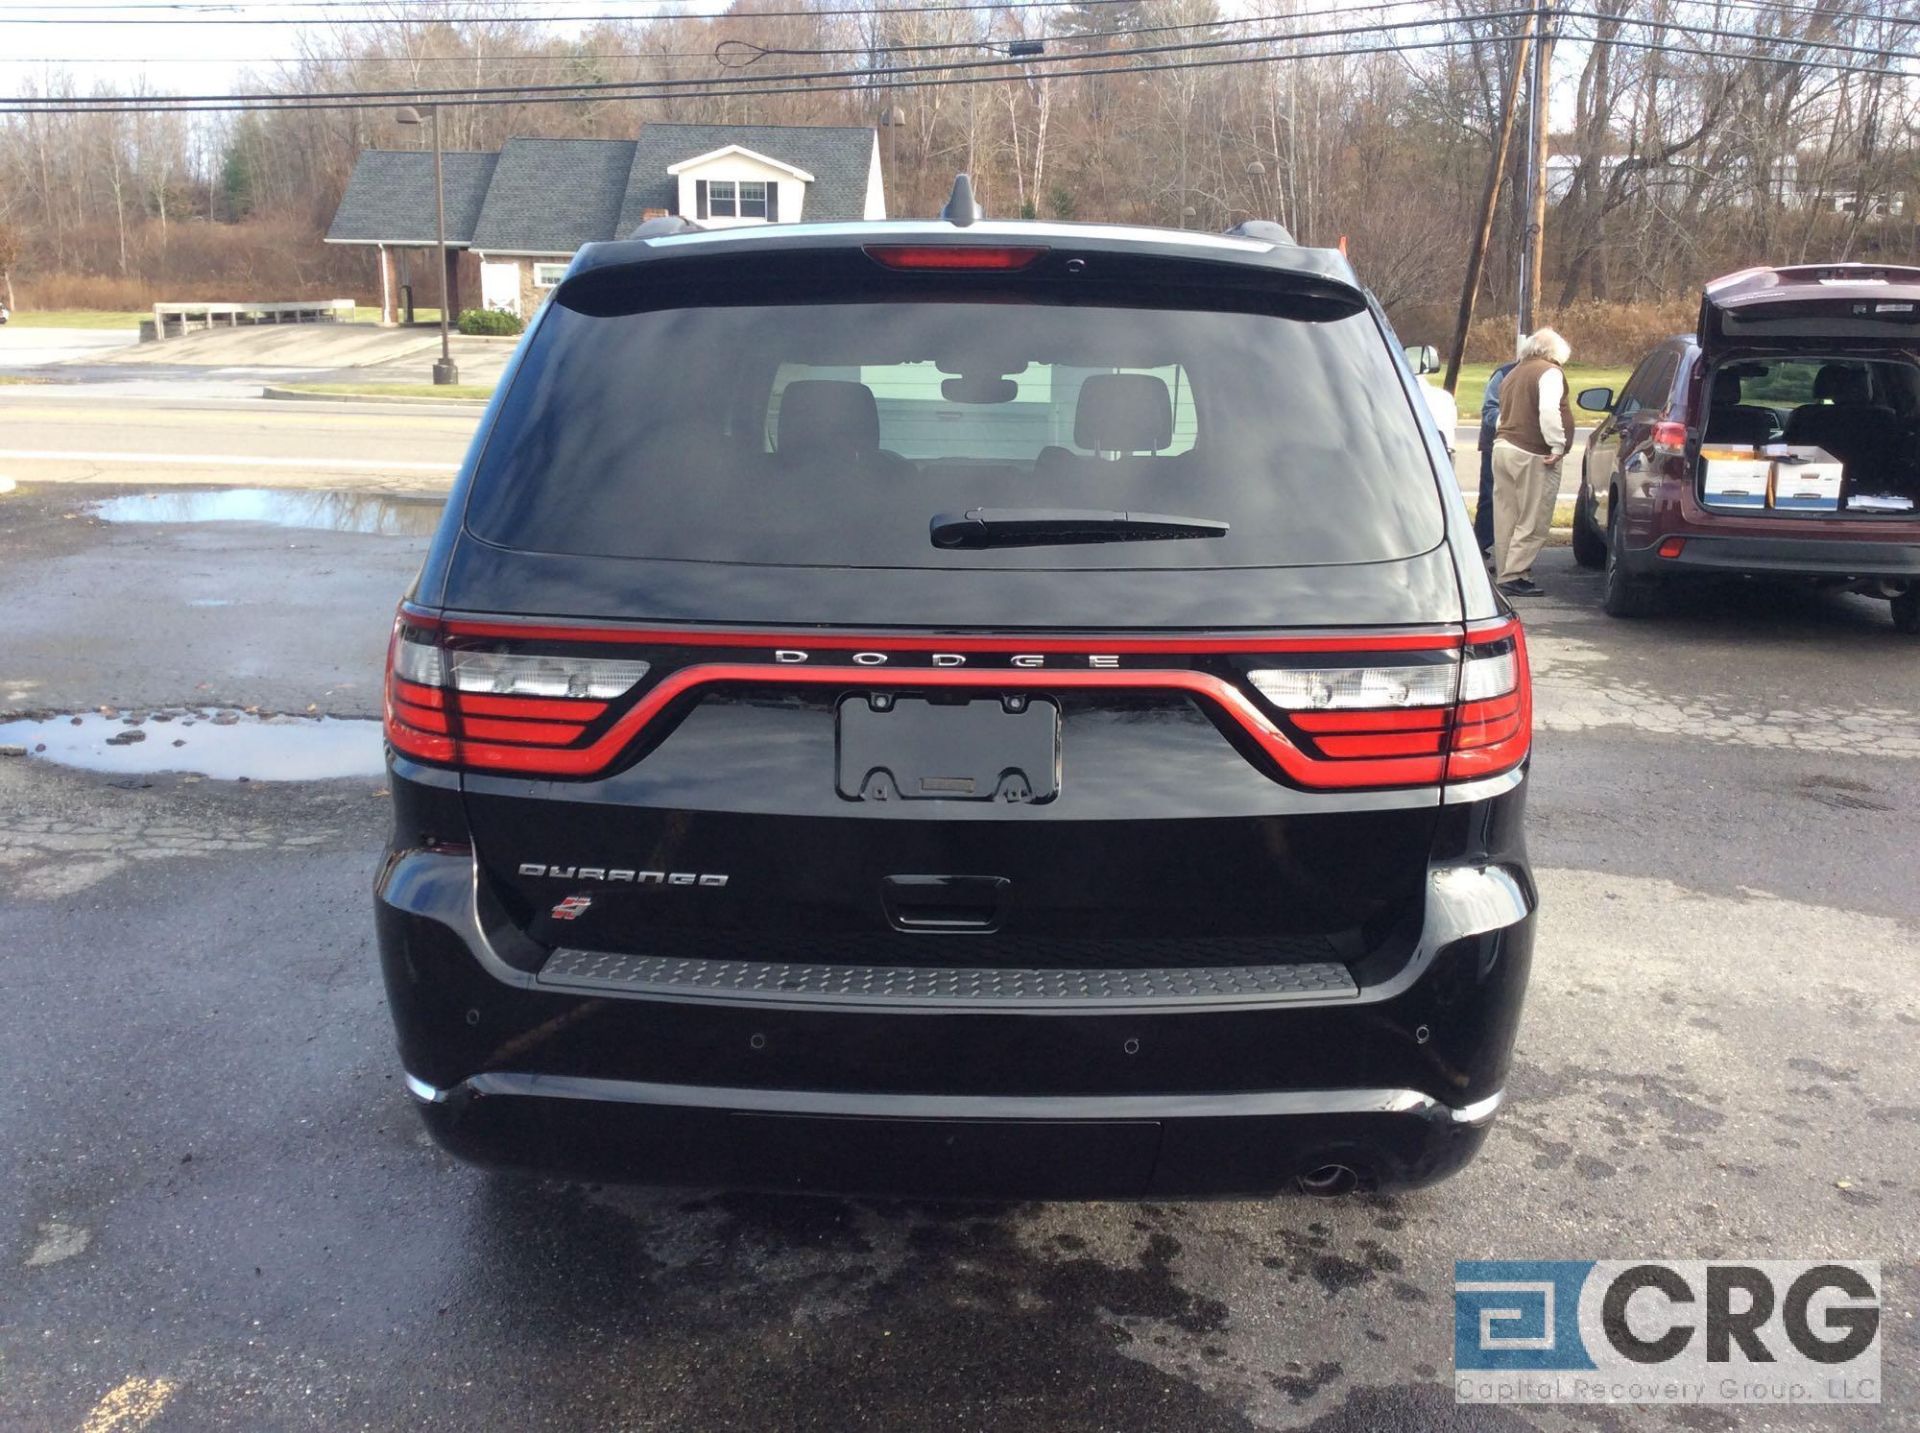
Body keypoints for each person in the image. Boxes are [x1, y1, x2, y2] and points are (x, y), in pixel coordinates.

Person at [1490, 327, 1573, 597]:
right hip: (1531, 452)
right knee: (1533, 517)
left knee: (1506, 515)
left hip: (1503, 447)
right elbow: (1548, 410)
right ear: (1555, 353)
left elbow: (1502, 414)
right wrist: (1557, 444)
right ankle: (1515, 574)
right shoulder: (1549, 372)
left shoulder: (1512, 374)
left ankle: (1506, 571)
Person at [1474, 348, 1522, 555]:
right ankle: (1479, 547)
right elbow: (1489, 410)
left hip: (1525, 447)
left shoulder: (1547, 375)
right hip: (1495, 444)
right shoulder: (1503, 374)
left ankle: (1508, 550)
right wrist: (1514, 424)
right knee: (1490, 497)